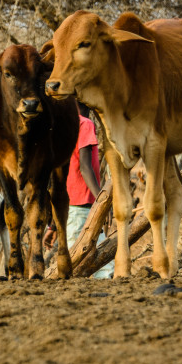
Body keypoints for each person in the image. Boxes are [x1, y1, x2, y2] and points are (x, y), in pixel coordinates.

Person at [64, 103, 114, 279]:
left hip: (73, 202)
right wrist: (103, 201)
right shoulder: (84, 123)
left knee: (82, 257)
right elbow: (84, 167)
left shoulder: (66, 123)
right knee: (93, 260)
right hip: (84, 203)